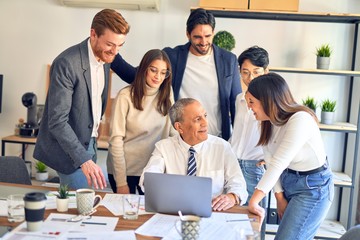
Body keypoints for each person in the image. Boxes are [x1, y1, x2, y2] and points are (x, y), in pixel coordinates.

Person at [33, 9, 130, 190]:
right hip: (69, 150)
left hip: (90, 141)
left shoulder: (108, 55)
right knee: (80, 209)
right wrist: (83, 159)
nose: (115, 51)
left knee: (86, 205)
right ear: (93, 34)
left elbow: (134, 75)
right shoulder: (67, 63)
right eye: (110, 44)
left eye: (120, 45)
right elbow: (57, 121)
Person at [110, 8, 241, 140]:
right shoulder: (172, 57)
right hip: (180, 141)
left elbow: (237, 105)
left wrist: (238, 144)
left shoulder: (228, 60)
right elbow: (136, 76)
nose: (203, 42)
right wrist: (110, 52)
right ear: (188, 34)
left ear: (213, 32)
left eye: (207, 36)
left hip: (216, 140)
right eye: (197, 37)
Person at [246, 73, 334, 240]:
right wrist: (279, 198)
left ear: (267, 100)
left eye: (252, 102)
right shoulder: (266, 123)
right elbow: (271, 161)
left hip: (313, 187)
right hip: (289, 181)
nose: (249, 107)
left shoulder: (301, 119)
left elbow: (278, 163)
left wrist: (254, 201)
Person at [139, 98, 248, 211]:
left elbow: (239, 185)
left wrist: (232, 197)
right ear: (179, 127)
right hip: (174, 211)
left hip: (213, 212)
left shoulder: (222, 147)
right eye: (197, 119)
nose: (205, 123)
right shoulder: (163, 147)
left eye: (205, 116)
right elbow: (148, 179)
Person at [106, 49, 175, 195]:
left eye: (163, 73)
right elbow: (116, 141)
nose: (158, 77)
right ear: (144, 69)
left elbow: (172, 133)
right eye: (153, 70)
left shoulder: (167, 94)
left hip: (154, 170)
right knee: (127, 216)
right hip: (126, 171)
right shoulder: (125, 96)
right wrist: (121, 182)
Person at [229, 46, 269, 240]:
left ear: (266, 72)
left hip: (255, 167)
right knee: (233, 220)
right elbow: (238, 132)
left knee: (254, 222)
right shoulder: (239, 99)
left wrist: (271, 157)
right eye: (245, 72)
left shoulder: (271, 100)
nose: (250, 77)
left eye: (256, 72)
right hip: (234, 163)